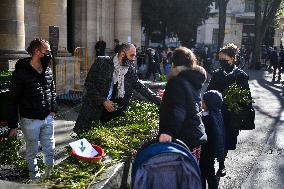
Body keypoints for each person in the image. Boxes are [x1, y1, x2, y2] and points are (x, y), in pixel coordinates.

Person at [74, 43, 161, 134]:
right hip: (93, 112)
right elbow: (89, 84)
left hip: (112, 115)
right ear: (123, 54)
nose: (133, 59)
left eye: (134, 56)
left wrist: (159, 101)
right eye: (132, 55)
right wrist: (103, 101)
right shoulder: (101, 62)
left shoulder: (130, 70)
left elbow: (140, 87)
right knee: (86, 143)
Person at [7, 38, 56, 180]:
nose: (49, 54)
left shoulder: (47, 69)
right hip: (30, 120)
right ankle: (34, 177)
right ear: (36, 51)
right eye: (47, 51)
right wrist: (13, 126)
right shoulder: (21, 72)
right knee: (32, 151)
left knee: (50, 149)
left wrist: (53, 109)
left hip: (47, 117)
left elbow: (52, 90)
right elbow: (12, 100)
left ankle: (50, 175)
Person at [207, 43, 253, 177]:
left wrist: (244, 111)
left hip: (232, 115)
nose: (222, 63)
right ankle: (214, 162)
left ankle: (221, 164)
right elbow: (209, 92)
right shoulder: (216, 75)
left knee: (225, 140)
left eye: (225, 60)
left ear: (233, 59)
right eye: (220, 60)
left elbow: (246, 97)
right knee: (215, 138)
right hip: (216, 113)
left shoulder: (241, 76)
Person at [158, 47, 207, 161]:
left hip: (183, 139)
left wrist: (168, 131)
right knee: (190, 174)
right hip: (195, 135)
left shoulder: (176, 81)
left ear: (173, 64)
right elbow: (188, 101)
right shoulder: (192, 79)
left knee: (179, 175)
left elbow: (178, 110)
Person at [200, 90, 225, 189]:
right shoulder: (217, 114)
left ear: (208, 104)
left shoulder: (208, 118)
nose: (201, 103)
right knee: (210, 173)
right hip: (211, 151)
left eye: (203, 101)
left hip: (205, 151)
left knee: (204, 174)